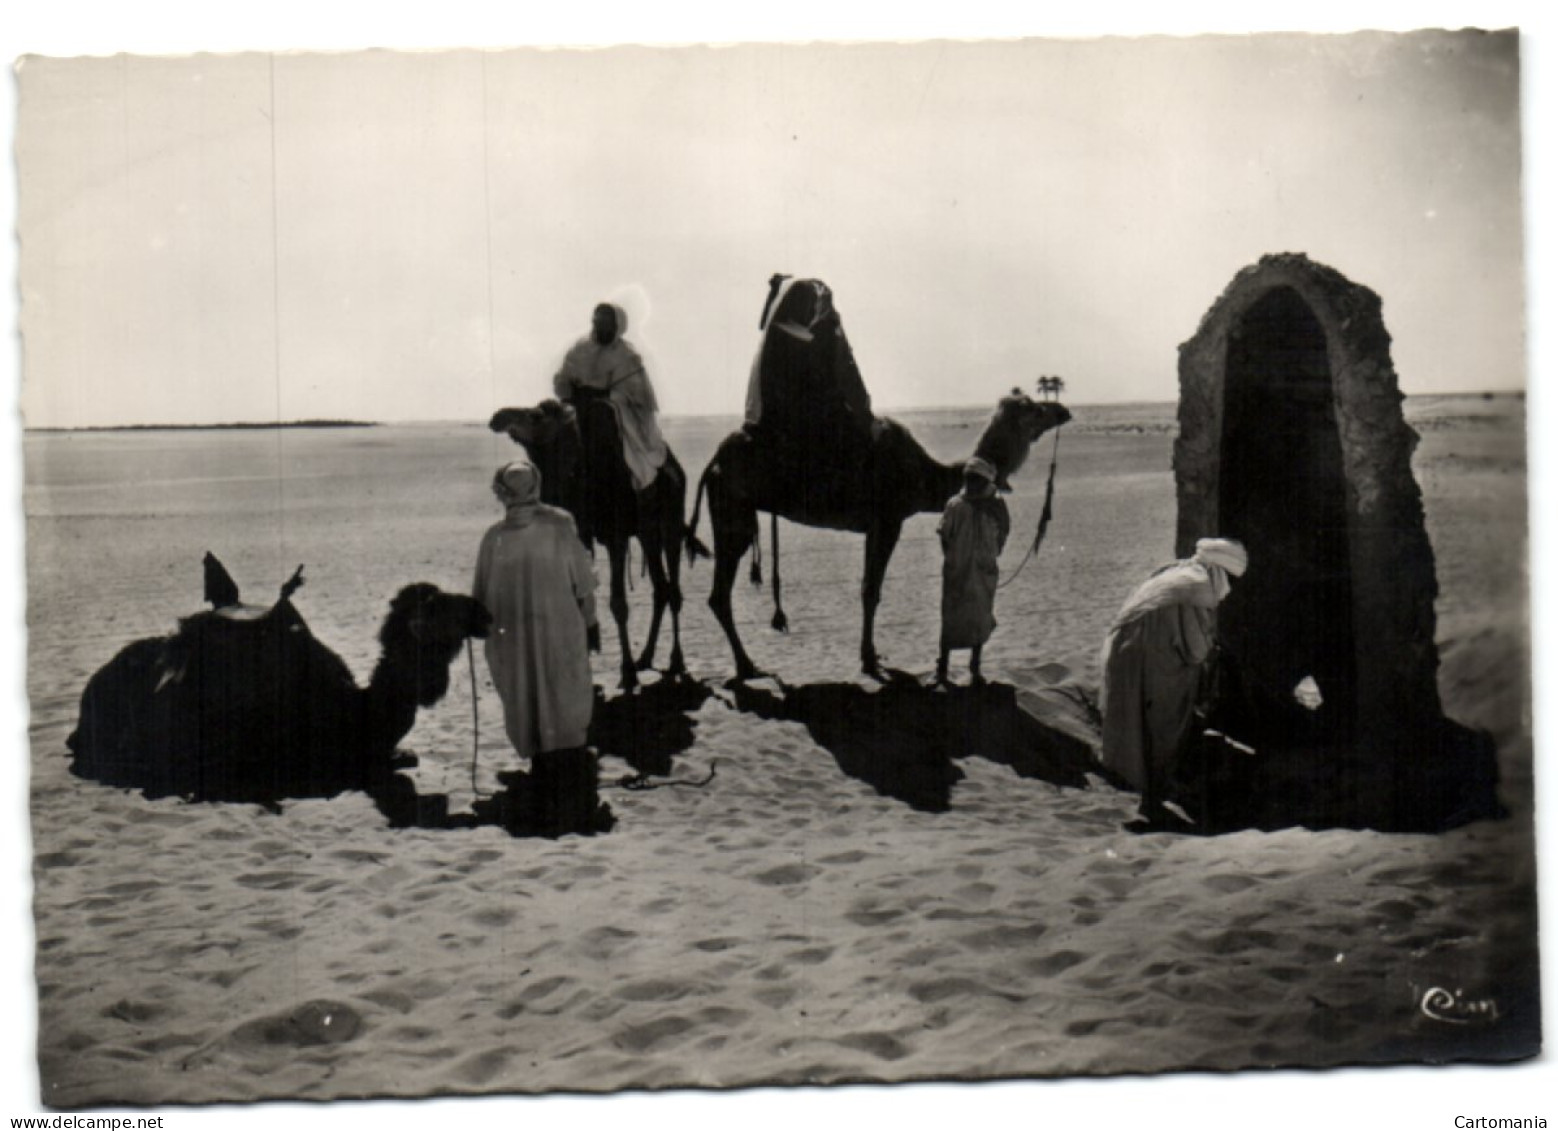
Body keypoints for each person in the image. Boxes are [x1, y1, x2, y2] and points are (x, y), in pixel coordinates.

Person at [472, 458, 606, 835]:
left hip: (514, 636)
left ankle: (543, 763)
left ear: (501, 491)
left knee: (526, 689)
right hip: (560, 628)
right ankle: (564, 766)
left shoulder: (493, 537)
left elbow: (480, 601)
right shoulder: (560, 524)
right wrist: (592, 622)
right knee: (564, 686)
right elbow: (583, 583)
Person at [1097, 537, 1249, 830]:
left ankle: (1143, 794)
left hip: (1125, 655)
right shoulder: (1199, 587)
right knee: (1164, 724)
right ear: (1218, 570)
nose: (1229, 585)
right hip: (1151, 660)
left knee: (1135, 724)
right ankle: (1152, 799)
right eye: (1229, 577)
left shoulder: (1177, 573)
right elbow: (1194, 647)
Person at [743, 275, 875, 467]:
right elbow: (845, 369)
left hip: (760, 419)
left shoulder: (775, 322)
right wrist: (865, 416)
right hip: (799, 425)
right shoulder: (820, 298)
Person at [553, 302, 669, 494]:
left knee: (603, 415)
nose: (601, 326)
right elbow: (562, 379)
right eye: (597, 322)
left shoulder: (627, 356)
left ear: (617, 325)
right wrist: (570, 391)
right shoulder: (580, 349)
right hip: (578, 406)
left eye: (606, 323)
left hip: (617, 409)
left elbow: (635, 394)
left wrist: (601, 394)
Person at [935, 457, 1011, 687]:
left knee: (978, 619)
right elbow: (944, 535)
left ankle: (974, 669)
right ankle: (943, 670)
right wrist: (954, 560)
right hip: (958, 573)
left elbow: (1002, 534)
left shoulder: (995, 506)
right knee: (951, 621)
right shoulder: (956, 505)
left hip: (981, 573)